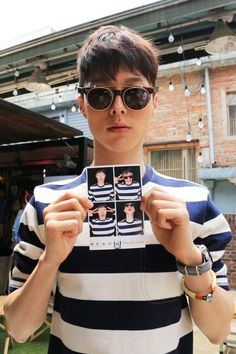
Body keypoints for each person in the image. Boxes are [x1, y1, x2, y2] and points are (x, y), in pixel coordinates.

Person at [4, 25, 234, 354]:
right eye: (101, 94)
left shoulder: (193, 204)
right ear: (82, 104)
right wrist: (50, 261)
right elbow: (19, 329)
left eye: (135, 93)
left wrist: (190, 258)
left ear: (154, 101)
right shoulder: (46, 205)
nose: (118, 108)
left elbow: (217, 331)